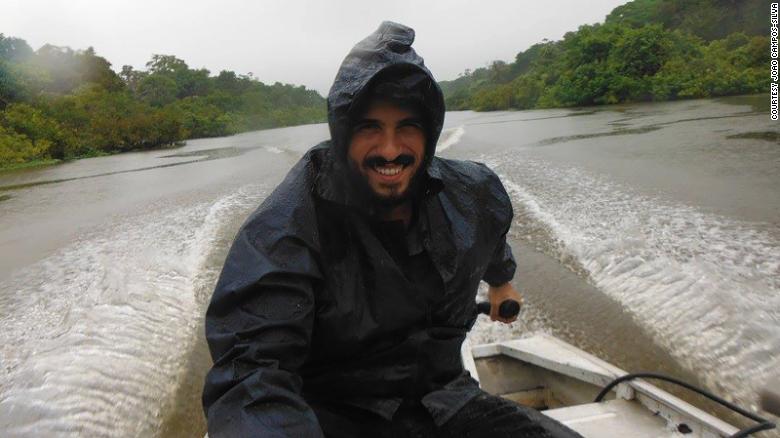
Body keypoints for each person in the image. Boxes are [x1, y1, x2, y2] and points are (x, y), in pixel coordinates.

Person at [202, 21, 582, 438]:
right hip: (336, 413)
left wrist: (501, 282)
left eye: (406, 126)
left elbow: (490, 235)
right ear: (343, 133)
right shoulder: (286, 229)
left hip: (442, 397)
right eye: (369, 127)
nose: (389, 149)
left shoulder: (472, 192)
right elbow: (253, 371)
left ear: (430, 131)